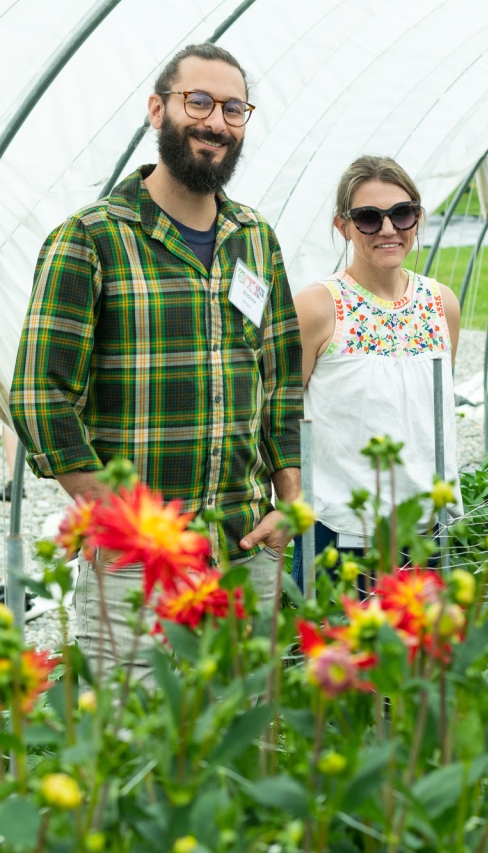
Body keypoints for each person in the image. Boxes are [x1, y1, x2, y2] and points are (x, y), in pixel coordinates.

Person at [11, 44, 302, 666]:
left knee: (245, 746)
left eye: (233, 108)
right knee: (137, 750)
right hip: (134, 572)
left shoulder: (255, 239)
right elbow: (39, 396)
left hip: (245, 552)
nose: (216, 122)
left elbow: (280, 381)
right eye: (197, 101)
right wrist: (119, 519)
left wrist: (292, 501)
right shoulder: (91, 239)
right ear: (156, 110)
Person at [291, 155, 461, 587]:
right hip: (342, 538)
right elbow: (281, 418)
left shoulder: (442, 304)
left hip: (428, 532)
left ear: (417, 218)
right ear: (342, 226)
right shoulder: (317, 307)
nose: (388, 229)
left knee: (426, 654)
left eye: (402, 214)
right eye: (368, 218)